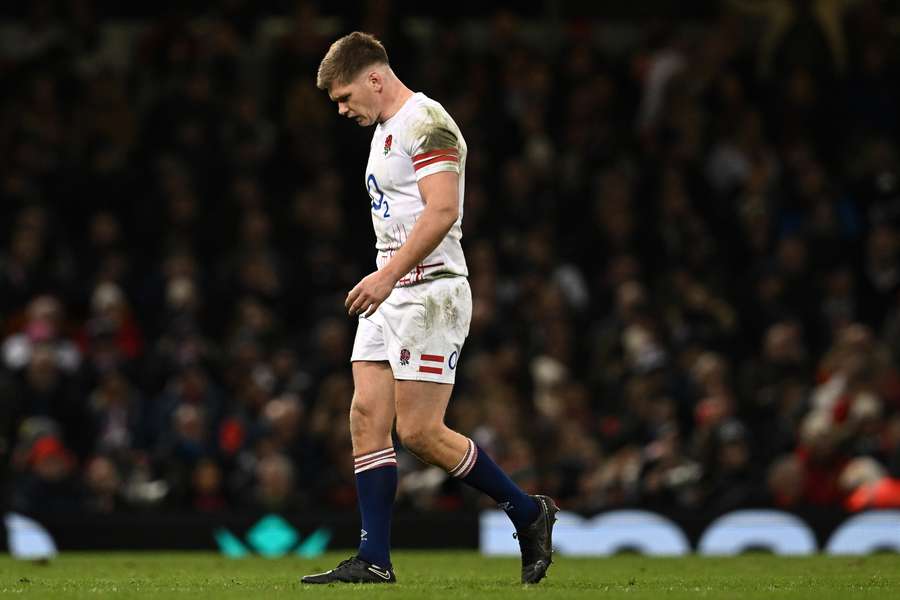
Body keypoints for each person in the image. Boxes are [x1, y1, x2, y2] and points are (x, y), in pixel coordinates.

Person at [302, 32, 558, 585]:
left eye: (346, 97)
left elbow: (442, 210)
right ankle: (374, 559)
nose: (343, 110)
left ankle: (527, 511)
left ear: (374, 77)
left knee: (419, 431)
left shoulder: (428, 123)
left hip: (428, 290)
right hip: (391, 288)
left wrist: (387, 276)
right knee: (366, 416)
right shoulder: (384, 131)